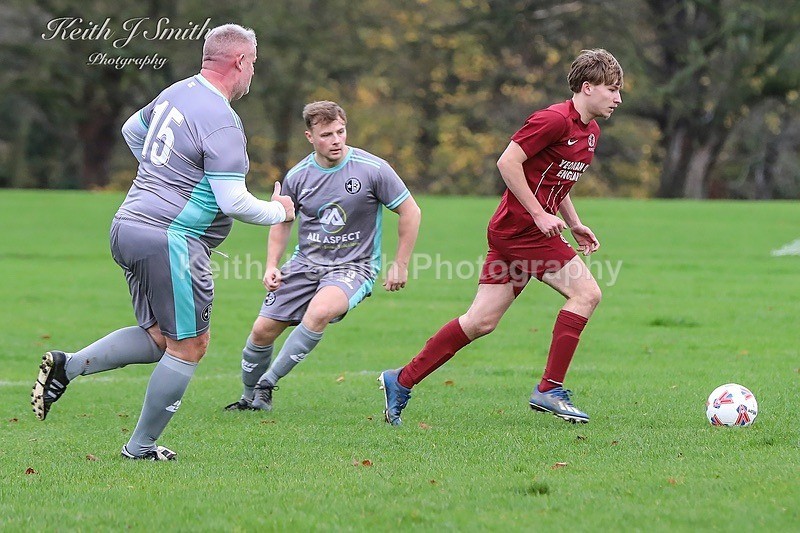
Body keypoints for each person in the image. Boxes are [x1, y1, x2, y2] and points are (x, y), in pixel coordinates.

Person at [31, 24, 296, 460]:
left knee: (159, 338)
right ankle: (140, 448)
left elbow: (131, 130)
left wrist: (161, 178)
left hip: (128, 226)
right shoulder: (223, 122)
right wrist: (280, 212)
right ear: (240, 62)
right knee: (190, 345)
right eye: (254, 63)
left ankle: (69, 364)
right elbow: (233, 202)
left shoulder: (177, 91)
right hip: (170, 239)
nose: (253, 72)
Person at [379, 49, 623, 426]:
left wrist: (573, 221)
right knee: (587, 293)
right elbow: (508, 162)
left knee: (480, 322)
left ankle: (401, 380)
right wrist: (540, 214)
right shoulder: (553, 119)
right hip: (522, 231)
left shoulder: (590, 132)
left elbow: (556, 180)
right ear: (587, 88)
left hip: (519, 230)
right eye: (612, 90)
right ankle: (549, 389)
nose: (618, 98)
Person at [224, 100, 421, 412]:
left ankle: (268, 382)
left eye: (341, 131)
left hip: (355, 267)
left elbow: (410, 210)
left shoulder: (373, 169)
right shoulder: (299, 176)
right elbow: (283, 221)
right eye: (327, 134)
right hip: (306, 264)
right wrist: (272, 264)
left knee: (320, 312)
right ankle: (251, 399)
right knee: (262, 330)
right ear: (310, 137)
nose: (336, 140)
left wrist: (400, 264)